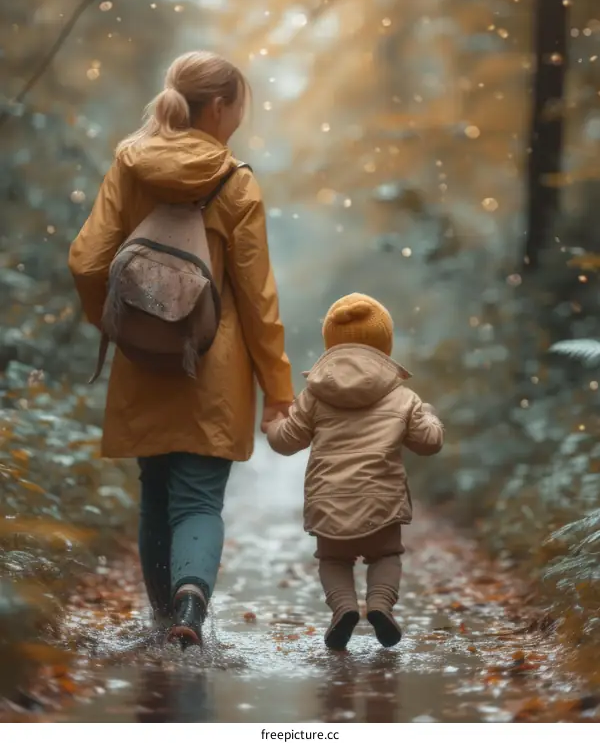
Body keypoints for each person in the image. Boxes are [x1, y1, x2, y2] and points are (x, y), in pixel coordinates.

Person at [69, 51, 294, 646]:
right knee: (197, 499)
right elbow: (257, 300)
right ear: (218, 107)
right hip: (212, 365)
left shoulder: (130, 163)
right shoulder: (235, 181)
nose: (240, 116)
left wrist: (120, 325)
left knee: (156, 491)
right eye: (239, 105)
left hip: (143, 359)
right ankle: (190, 606)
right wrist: (278, 390)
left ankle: (161, 624)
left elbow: (87, 261)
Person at [265, 293, 444, 651]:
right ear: (386, 346)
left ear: (330, 344)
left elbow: (286, 442)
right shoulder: (402, 398)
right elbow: (429, 442)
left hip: (329, 500)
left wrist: (273, 426)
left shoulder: (314, 396)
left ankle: (344, 608)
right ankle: (379, 604)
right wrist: (429, 415)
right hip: (382, 501)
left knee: (333, 559)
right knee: (386, 556)